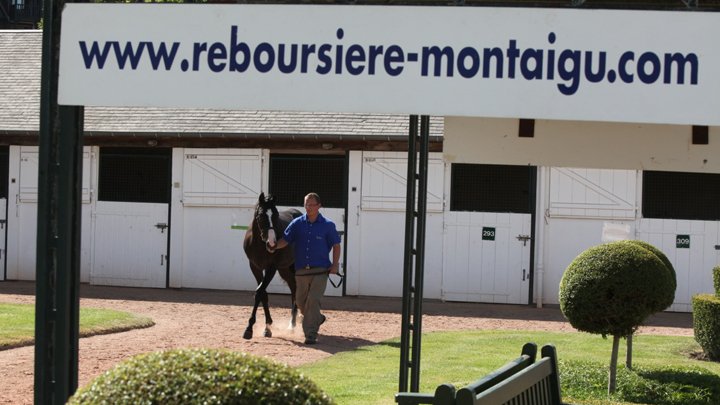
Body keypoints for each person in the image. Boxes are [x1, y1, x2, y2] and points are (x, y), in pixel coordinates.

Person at [270, 192, 341, 345]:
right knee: (300, 302)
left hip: (320, 270)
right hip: (301, 270)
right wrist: (274, 247)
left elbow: (336, 245)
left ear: (319, 206)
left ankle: (310, 334)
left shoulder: (328, 225)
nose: (308, 207)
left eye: (312, 205)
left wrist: (335, 264)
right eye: (306, 204)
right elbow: (285, 240)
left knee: (313, 300)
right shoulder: (297, 223)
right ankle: (317, 318)